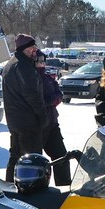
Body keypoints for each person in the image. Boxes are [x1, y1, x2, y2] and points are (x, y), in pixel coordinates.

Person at [2, 33, 50, 182]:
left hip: (15, 121)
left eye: (35, 47)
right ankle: (32, 189)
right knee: (32, 160)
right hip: (27, 122)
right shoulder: (23, 66)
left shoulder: (10, 64)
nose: (35, 50)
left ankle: (9, 185)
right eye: (32, 47)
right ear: (23, 49)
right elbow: (32, 95)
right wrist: (43, 117)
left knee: (15, 155)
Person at [34, 51, 71, 185]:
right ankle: (36, 187)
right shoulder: (31, 78)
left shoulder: (48, 78)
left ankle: (64, 186)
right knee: (36, 160)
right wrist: (50, 100)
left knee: (61, 155)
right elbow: (37, 100)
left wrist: (52, 100)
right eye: (38, 61)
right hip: (36, 125)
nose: (41, 64)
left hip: (52, 124)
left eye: (43, 61)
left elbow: (59, 95)